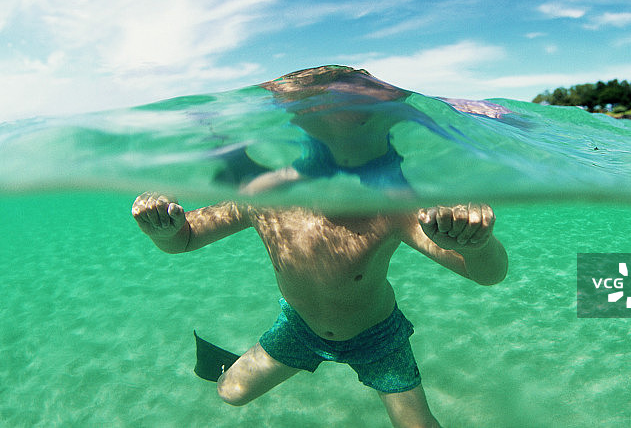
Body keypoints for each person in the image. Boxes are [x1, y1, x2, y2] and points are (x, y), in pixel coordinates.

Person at [131, 67, 508, 427]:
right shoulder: (264, 200)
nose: (346, 172)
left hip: (378, 338)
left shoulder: (393, 210)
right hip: (299, 329)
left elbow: (488, 274)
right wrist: (165, 229)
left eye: (359, 152)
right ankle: (243, 364)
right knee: (230, 392)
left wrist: (476, 245)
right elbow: (185, 240)